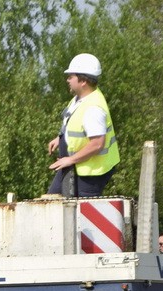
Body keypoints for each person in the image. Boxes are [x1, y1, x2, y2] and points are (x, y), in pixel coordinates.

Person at [46, 53, 120, 198]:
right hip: (74, 166)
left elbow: (97, 144)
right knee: (53, 201)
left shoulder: (93, 108)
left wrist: (70, 159)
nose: (68, 80)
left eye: (71, 76)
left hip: (90, 173)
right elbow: (74, 124)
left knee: (81, 215)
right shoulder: (80, 99)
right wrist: (60, 139)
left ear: (83, 81)